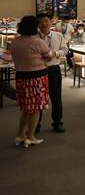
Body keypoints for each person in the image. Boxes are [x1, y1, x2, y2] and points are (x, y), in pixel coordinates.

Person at [10, 16, 52, 147]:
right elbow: (49, 57)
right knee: (35, 109)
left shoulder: (15, 41)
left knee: (25, 109)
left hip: (21, 78)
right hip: (36, 79)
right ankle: (30, 136)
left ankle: (20, 135)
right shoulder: (38, 42)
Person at [37, 13, 68, 133]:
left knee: (56, 97)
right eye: (41, 21)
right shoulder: (34, 37)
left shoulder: (58, 35)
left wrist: (55, 53)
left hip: (54, 69)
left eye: (46, 21)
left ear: (51, 22)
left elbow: (64, 49)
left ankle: (57, 122)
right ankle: (36, 124)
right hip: (38, 70)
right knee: (38, 98)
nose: (44, 24)